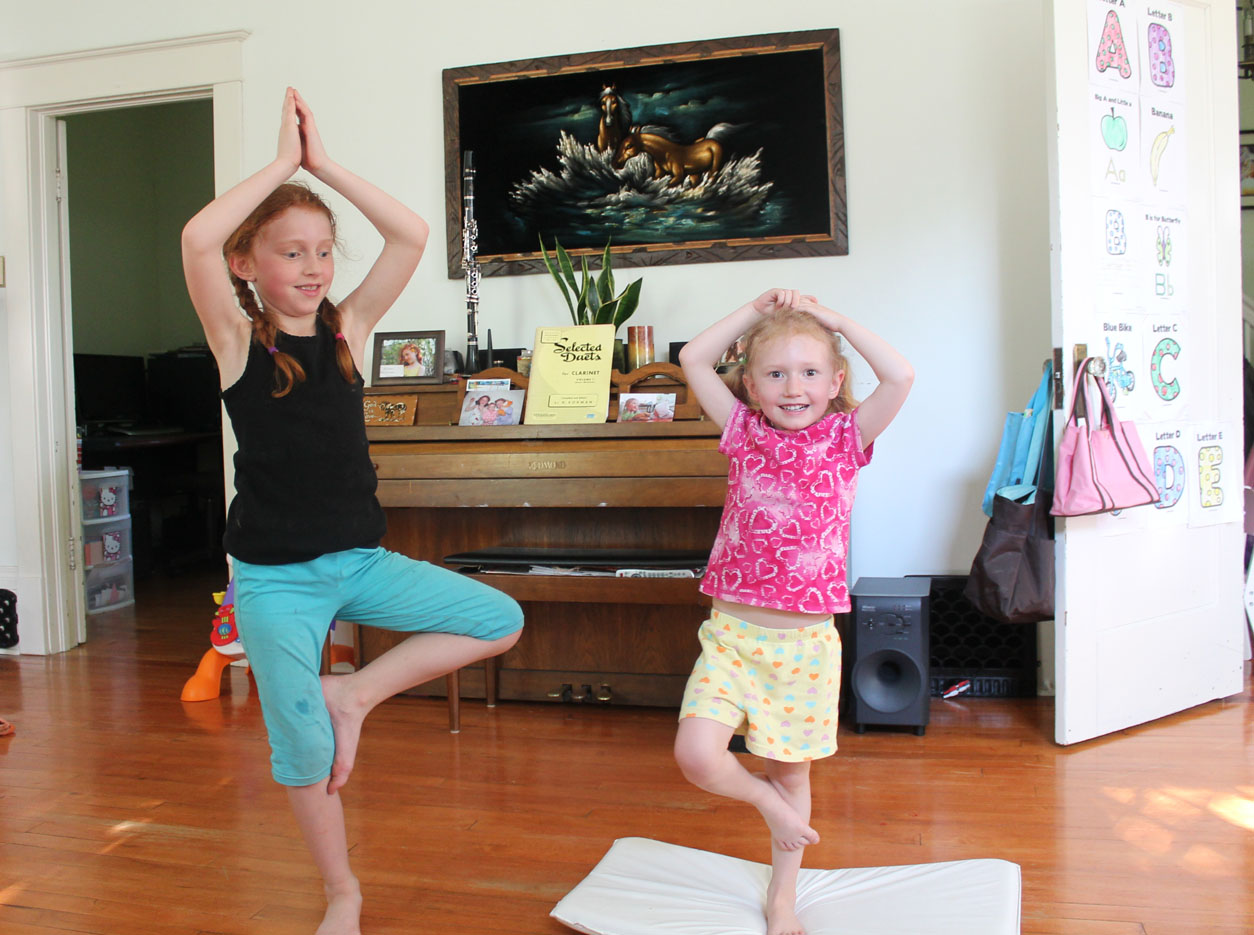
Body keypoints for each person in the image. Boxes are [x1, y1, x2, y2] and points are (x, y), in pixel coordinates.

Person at [181, 87, 523, 935]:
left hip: (362, 562)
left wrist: (324, 164)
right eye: (291, 252)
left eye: (324, 251)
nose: (312, 267)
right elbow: (195, 238)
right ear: (246, 264)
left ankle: (357, 695)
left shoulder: (349, 330)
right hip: (274, 580)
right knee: (300, 749)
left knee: (499, 618)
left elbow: (411, 234)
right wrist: (281, 165)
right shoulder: (236, 341)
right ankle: (343, 890)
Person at [673, 288, 912, 935]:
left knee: (792, 775)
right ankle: (767, 806)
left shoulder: (848, 437)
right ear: (751, 386)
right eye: (775, 374)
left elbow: (900, 375)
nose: (793, 386)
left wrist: (832, 319)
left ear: (835, 382)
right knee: (697, 755)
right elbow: (693, 358)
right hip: (730, 637)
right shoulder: (743, 431)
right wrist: (756, 311)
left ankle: (783, 897)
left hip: (804, 648)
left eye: (809, 372)